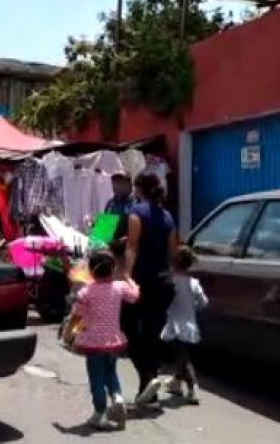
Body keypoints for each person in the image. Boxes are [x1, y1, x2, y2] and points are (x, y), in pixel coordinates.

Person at [122, 172, 180, 407]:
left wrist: (126, 273)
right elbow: (173, 252)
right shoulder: (167, 217)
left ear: (138, 189)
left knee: (127, 329)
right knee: (151, 336)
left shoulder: (136, 212)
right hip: (163, 281)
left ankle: (148, 377)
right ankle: (149, 388)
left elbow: (132, 247)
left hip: (141, 281)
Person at [72, 249, 140, 430]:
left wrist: (71, 330)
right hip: (114, 340)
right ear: (113, 268)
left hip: (93, 342)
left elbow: (77, 315)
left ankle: (100, 413)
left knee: (96, 378)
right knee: (111, 372)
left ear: (91, 270)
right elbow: (134, 297)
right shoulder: (119, 287)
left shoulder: (86, 292)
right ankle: (117, 397)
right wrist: (131, 281)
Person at [160, 246, 208, 405]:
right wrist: (193, 307)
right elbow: (203, 302)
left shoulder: (170, 281)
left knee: (183, 357)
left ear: (173, 263)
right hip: (189, 323)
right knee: (181, 355)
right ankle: (176, 383)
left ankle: (193, 387)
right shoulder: (194, 283)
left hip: (175, 323)